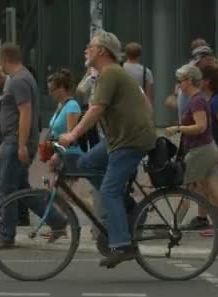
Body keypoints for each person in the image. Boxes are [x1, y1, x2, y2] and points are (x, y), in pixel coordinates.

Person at [59, 31, 157, 268]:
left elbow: (95, 110)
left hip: (130, 141)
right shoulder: (107, 74)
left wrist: (73, 134)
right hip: (117, 139)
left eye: (90, 46)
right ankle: (128, 210)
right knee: (86, 164)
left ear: (101, 51)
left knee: (109, 191)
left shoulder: (111, 73)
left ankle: (122, 245)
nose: (86, 50)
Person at [0, 43, 67, 249]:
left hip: (17, 140)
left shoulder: (18, 81)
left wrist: (21, 145)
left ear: (5, 58)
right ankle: (57, 220)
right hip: (14, 140)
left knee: (8, 189)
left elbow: (25, 112)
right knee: (22, 189)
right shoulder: (24, 78)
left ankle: (7, 235)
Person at [165, 64, 218, 239]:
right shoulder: (199, 99)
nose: (178, 85)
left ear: (189, 81)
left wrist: (178, 128)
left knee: (187, 187)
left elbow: (201, 126)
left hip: (200, 150)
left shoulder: (196, 101)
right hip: (208, 149)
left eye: (180, 81)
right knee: (215, 189)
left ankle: (173, 227)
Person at [0, 62, 30, 226]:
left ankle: (9, 227)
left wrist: (21, 143)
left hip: (13, 141)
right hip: (5, 142)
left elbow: (24, 113)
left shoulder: (13, 87)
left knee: (9, 184)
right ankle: (20, 217)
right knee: (18, 183)